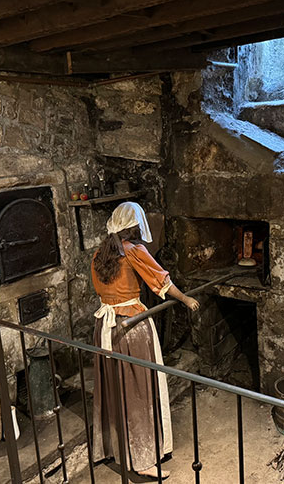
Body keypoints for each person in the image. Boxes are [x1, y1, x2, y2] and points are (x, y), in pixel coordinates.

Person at [91, 202, 200, 479]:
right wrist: (186, 299)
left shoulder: (99, 254)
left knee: (116, 389)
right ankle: (142, 460)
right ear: (133, 226)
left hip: (105, 326)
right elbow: (162, 281)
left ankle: (115, 448)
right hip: (131, 329)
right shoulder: (134, 251)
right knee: (138, 392)